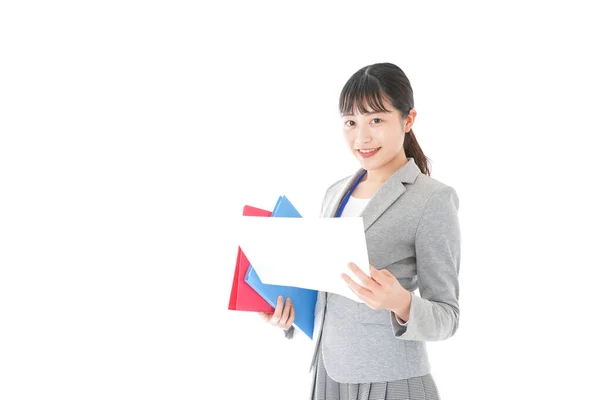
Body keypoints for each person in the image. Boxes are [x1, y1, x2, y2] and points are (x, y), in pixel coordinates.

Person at [258, 62, 461, 400]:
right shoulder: (335, 192)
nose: (361, 137)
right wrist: (288, 314)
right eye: (351, 122)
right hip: (327, 377)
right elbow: (330, 294)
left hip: (392, 382)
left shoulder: (433, 199)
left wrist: (402, 303)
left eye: (376, 120)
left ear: (408, 120)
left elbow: (447, 316)